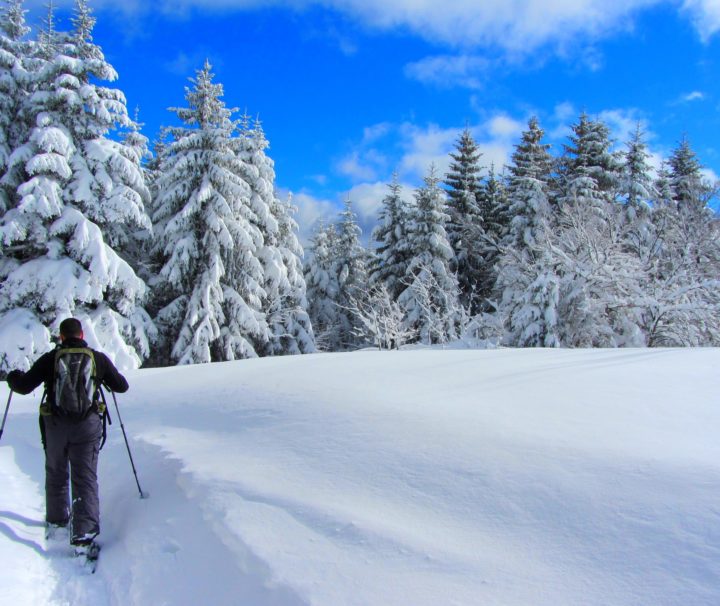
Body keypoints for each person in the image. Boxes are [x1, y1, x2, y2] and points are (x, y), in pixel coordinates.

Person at [6, 317, 128, 551]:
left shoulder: (51, 359)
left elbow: (23, 387)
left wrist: (13, 378)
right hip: (87, 426)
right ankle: (83, 535)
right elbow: (122, 386)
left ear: (61, 336)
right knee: (85, 478)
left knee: (56, 472)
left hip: (55, 425)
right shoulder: (97, 359)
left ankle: (57, 521)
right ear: (81, 335)